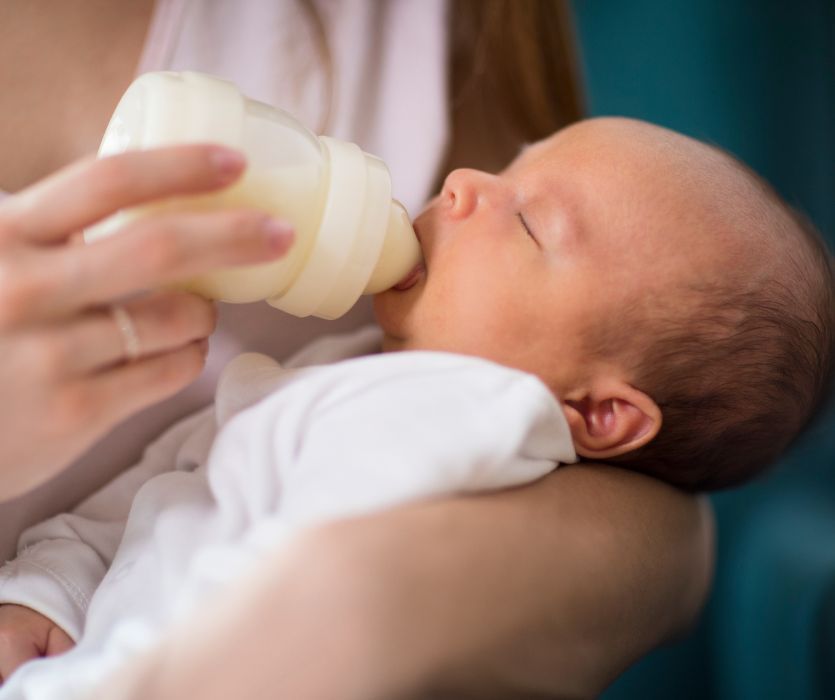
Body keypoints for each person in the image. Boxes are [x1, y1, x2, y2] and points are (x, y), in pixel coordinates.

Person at [0, 1, 715, 697]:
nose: (463, 182)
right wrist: (50, 594)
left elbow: (292, 603)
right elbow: (146, 502)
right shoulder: (318, 375)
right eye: (508, 169)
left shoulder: (491, 421)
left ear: (596, 414)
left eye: (528, 222)